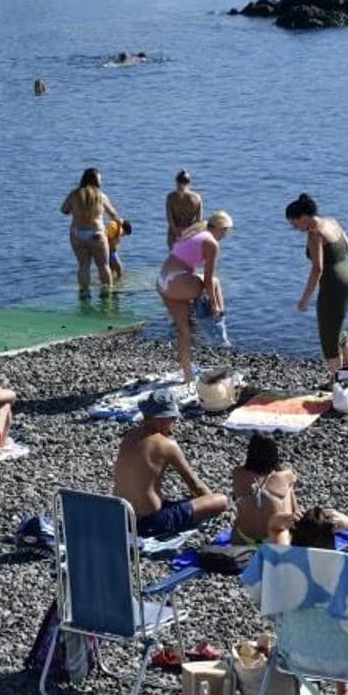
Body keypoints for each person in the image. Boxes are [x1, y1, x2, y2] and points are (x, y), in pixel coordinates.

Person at [112, 389, 227, 538]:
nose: (174, 423)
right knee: (221, 500)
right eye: (172, 419)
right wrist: (209, 503)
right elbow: (195, 486)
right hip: (149, 524)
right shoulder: (166, 444)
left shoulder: (129, 436)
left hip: (121, 516)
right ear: (161, 420)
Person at [157, 211, 233, 384]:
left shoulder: (193, 233)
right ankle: (219, 328)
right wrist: (214, 304)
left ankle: (188, 376)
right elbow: (207, 278)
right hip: (178, 282)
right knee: (214, 281)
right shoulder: (211, 243)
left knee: (184, 331)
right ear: (220, 228)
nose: (226, 236)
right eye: (226, 231)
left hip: (163, 282)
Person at [286, 193, 348, 373]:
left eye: (294, 223)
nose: (295, 228)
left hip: (333, 283)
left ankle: (338, 381)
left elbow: (317, 269)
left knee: (328, 333)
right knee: (337, 325)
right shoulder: (332, 222)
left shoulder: (314, 234)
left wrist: (305, 299)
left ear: (303, 217)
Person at [268, 506, 348, 575]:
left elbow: (275, 527)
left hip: (293, 621)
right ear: (332, 542)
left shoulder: (285, 559)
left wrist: (289, 517)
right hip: (336, 622)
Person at [60, 168, 123, 293]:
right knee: (103, 266)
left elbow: (64, 210)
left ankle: (84, 295)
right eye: (100, 179)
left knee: (83, 267)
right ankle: (107, 297)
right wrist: (121, 223)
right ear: (95, 180)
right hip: (96, 234)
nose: (101, 181)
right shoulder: (101, 196)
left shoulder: (74, 194)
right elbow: (113, 214)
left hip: (77, 234)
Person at [231, 432, 297, 545]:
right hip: (275, 539)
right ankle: (293, 519)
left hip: (243, 538)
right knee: (288, 489)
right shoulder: (286, 475)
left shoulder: (238, 473)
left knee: (244, 500)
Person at [165, 169, 203, 249]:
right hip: (190, 233)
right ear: (189, 183)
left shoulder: (171, 197)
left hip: (174, 233)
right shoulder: (197, 198)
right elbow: (199, 221)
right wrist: (187, 233)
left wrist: (176, 232)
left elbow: (170, 219)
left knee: (174, 259)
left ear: (176, 182)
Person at [106, 218, 132, 282]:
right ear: (125, 230)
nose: (123, 236)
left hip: (105, 251)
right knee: (120, 270)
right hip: (111, 252)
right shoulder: (119, 230)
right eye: (125, 234)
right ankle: (119, 284)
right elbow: (114, 242)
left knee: (111, 269)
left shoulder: (112, 225)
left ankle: (109, 281)